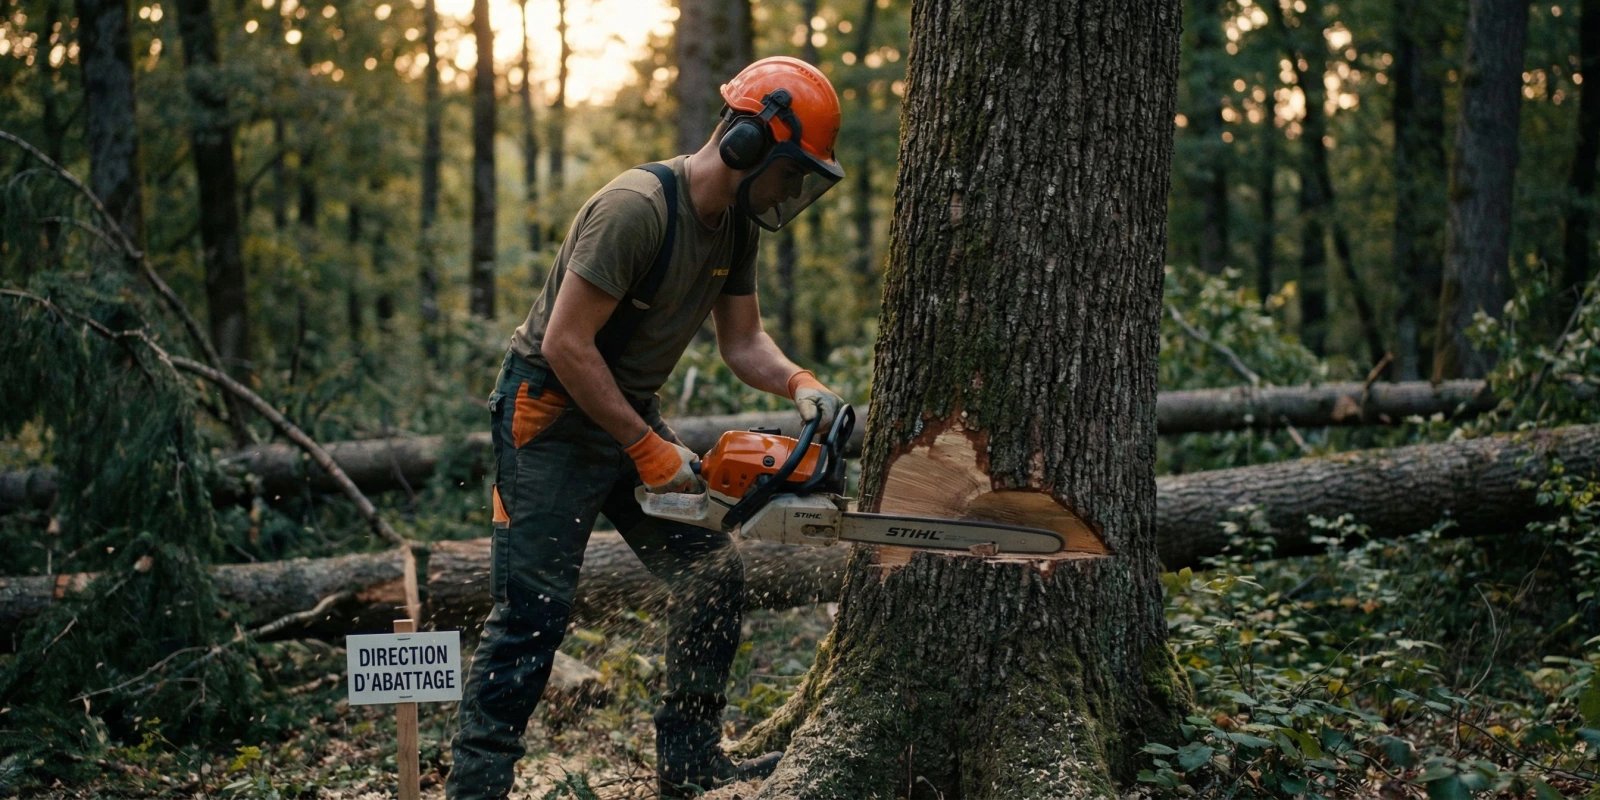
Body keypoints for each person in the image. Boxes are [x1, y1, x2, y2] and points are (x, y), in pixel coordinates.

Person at [447, 56, 848, 799]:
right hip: (549, 417)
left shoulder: (733, 226)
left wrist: (801, 383)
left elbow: (742, 341)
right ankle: (477, 788)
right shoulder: (637, 209)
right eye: (791, 172)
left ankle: (690, 761)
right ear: (748, 145)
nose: (793, 191)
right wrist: (646, 447)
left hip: (626, 416)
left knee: (711, 571)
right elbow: (567, 344)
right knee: (532, 612)